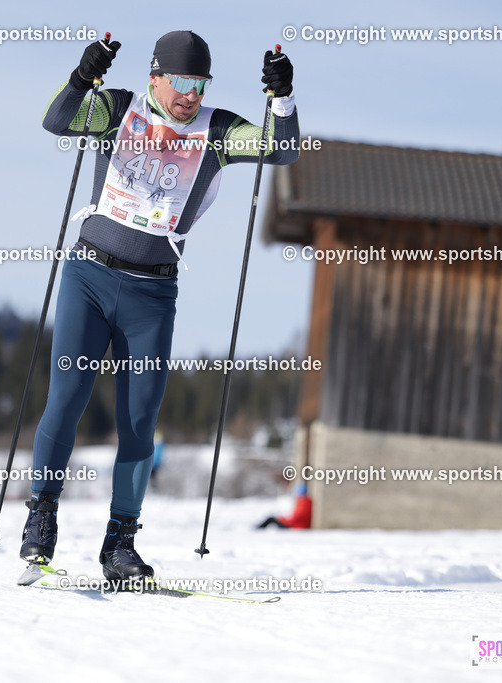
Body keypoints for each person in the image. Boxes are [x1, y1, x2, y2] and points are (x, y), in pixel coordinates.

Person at [20, 30, 301, 580]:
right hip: (90, 277)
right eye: (182, 83)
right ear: (156, 78)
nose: (191, 95)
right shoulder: (117, 106)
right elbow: (57, 121)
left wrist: (282, 99)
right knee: (67, 399)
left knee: (139, 420)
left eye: (200, 84)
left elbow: (281, 147)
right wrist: (84, 74)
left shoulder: (217, 131)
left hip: (152, 293)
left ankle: (119, 544)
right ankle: (41, 519)